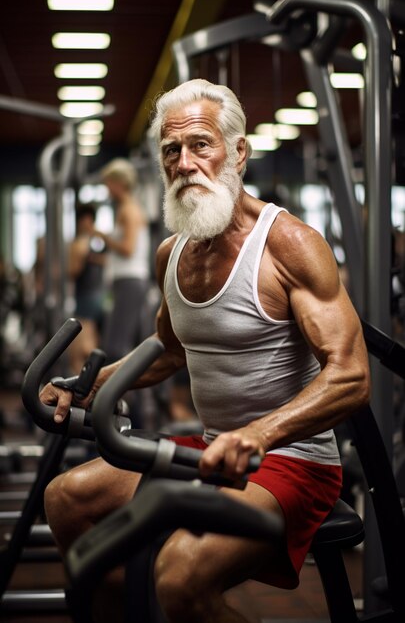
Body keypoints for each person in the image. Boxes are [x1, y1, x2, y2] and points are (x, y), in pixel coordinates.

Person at [40, 79, 370, 623]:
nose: (185, 162)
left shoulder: (288, 244)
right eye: (172, 150)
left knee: (181, 574)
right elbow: (171, 351)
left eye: (201, 144)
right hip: (212, 449)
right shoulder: (173, 252)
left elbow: (352, 376)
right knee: (67, 499)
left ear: (237, 152)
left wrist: (257, 433)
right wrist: (89, 386)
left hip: (291, 462)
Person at [95, 158, 151, 365]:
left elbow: (128, 249)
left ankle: (124, 396)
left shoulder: (129, 210)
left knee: (116, 346)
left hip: (130, 281)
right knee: (118, 343)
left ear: (119, 183)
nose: (106, 188)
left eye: (108, 183)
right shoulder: (124, 209)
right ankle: (125, 396)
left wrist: (102, 236)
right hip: (125, 281)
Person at [68, 203, 106, 374]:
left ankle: (83, 392)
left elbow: (73, 271)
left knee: (82, 351)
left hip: (87, 299)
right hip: (97, 297)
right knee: (90, 345)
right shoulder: (97, 242)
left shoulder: (82, 243)